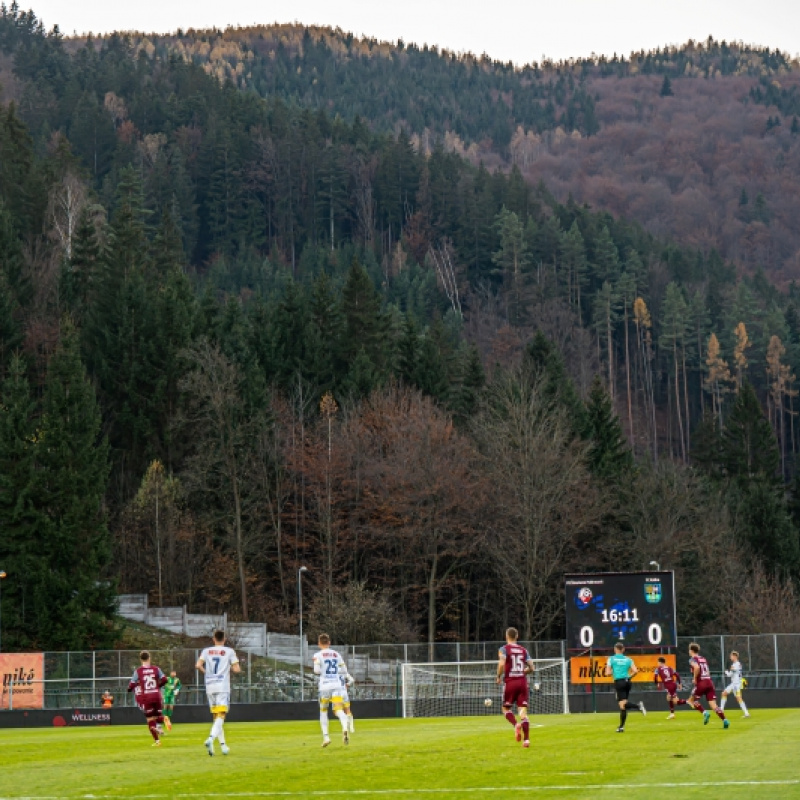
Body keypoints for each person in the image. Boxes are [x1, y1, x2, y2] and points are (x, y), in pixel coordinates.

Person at [196, 630, 241, 756]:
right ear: (224, 639)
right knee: (221, 715)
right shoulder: (229, 651)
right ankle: (210, 738)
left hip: (210, 685)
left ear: (213, 639)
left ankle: (223, 746)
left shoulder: (206, 651)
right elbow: (237, 669)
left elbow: (198, 665)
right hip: (222, 686)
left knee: (216, 717)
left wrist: (207, 673)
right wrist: (230, 667)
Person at [496, 627, 535, 748]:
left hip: (510, 682)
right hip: (522, 683)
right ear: (517, 636)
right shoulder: (524, 650)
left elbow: (502, 664)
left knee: (505, 709)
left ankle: (515, 725)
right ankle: (527, 740)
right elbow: (532, 668)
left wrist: (498, 676)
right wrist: (523, 672)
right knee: (523, 712)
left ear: (506, 636)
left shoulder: (503, 649)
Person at [312, 633, 351, 747]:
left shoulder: (318, 655)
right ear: (329, 643)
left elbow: (316, 671)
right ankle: (344, 727)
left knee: (323, 712)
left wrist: (319, 666)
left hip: (324, 687)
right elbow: (344, 670)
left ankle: (326, 737)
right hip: (337, 686)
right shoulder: (336, 654)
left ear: (319, 643)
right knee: (339, 710)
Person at [127, 650, 170, 747]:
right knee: (156, 716)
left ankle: (157, 741)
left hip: (147, 696)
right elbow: (165, 679)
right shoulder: (156, 669)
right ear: (149, 658)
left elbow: (132, 684)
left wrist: (129, 689)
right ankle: (162, 719)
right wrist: (158, 686)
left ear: (140, 659)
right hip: (157, 695)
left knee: (150, 719)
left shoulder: (138, 671)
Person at [604, 642, 646, 732]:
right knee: (622, 705)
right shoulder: (628, 659)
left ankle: (638, 706)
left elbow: (607, 673)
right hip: (627, 682)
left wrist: (613, 671)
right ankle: (621, 727)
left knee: (622, 704)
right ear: (623, 650)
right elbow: (635, 671)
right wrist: (629, 677)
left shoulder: (611, 659)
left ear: (615, 649)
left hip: (619, 682)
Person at [687, 642, 729, 729]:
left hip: (701, 683)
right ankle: (725, 720)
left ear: (691, 650)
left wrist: (694, 678)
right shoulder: (703, 658)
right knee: (714, 705)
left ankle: (705, 713)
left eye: (689, 650)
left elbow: (697, 667)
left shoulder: (692, 659)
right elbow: (707, 671)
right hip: (709, 682)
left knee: (691, 701)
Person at [720, 650, 749, 718]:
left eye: (731, 656)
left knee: (738, 698)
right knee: (725, 693)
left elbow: (730, 675)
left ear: (735, 656)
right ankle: (721, 710)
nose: (730, 657)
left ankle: (746, 713)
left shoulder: (736, 664)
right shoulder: (737, 664)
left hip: (736, 684)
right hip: (734, 684)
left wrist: (726, 672)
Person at [338, 663, 356, 733]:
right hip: (344, 693)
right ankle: (351, 727)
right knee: (348, 710)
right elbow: (352, 680)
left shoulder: (333, 673)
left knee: (340, 710)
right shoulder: (343, 672)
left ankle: (345, 726)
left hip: (337, 693)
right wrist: (347, 684)